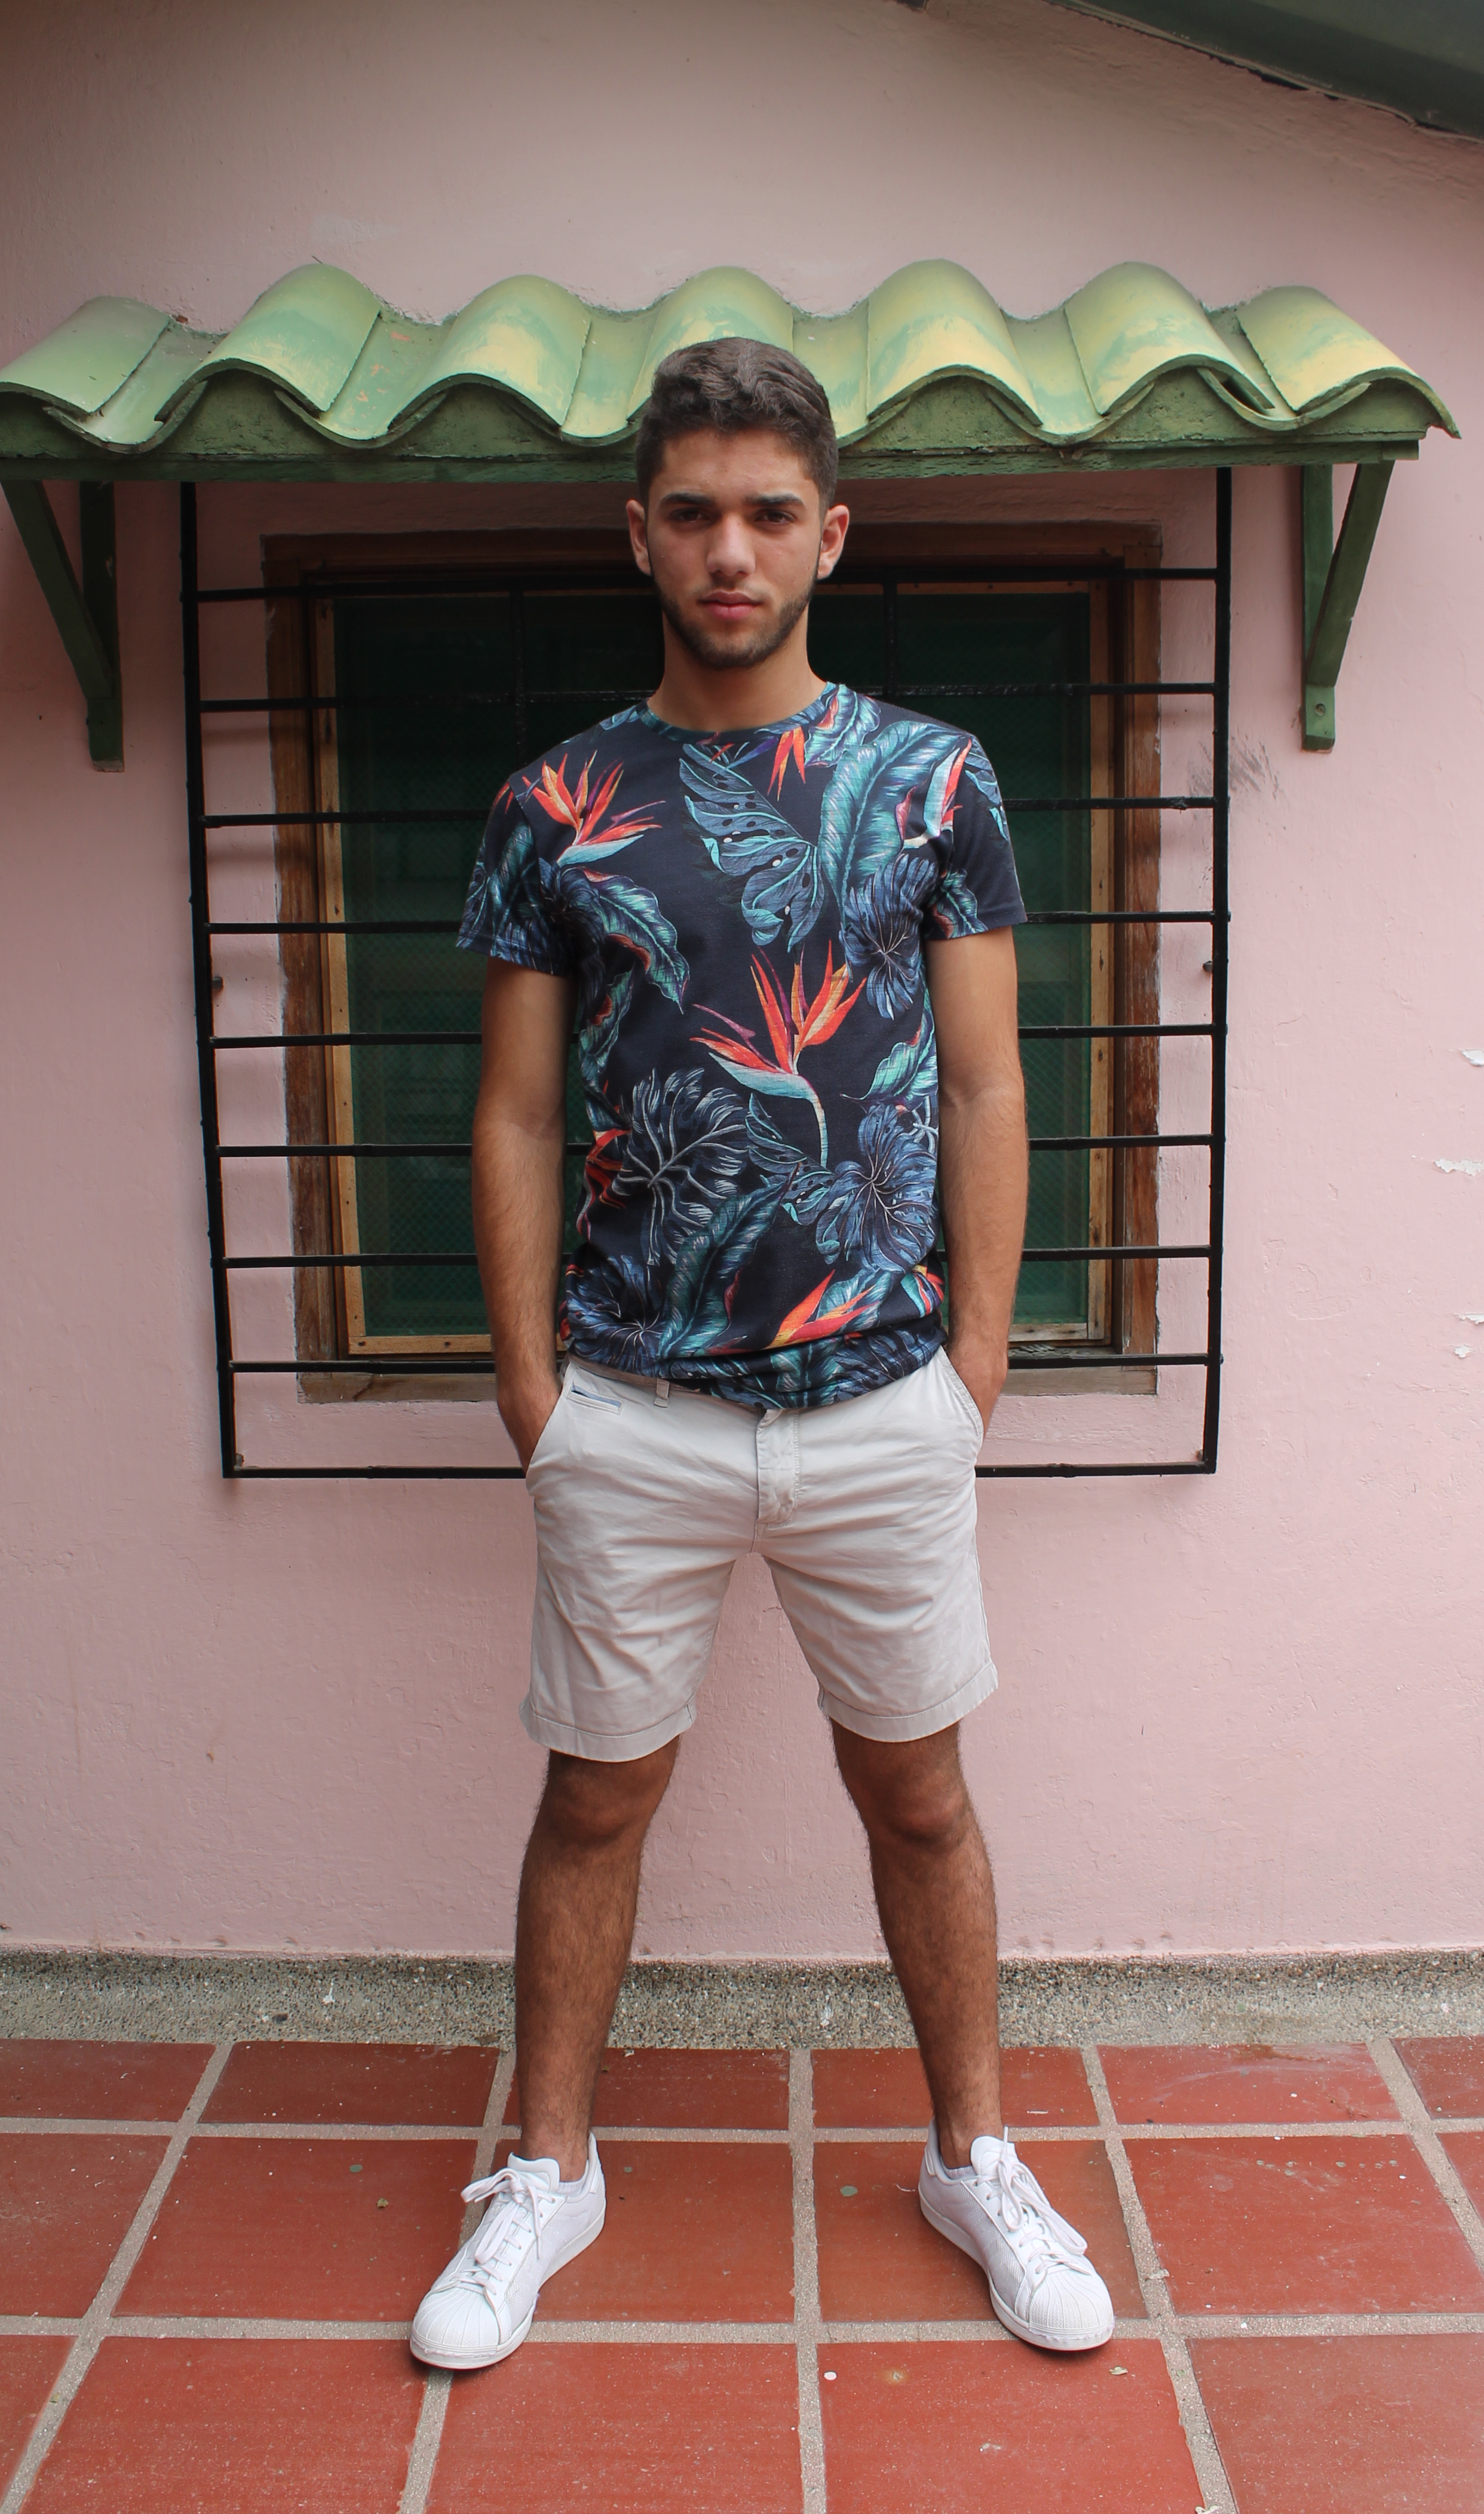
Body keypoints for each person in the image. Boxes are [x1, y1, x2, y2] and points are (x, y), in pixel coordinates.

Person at [410, 338, 1115, 2372]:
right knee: (594, 1800)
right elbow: (515, 1113)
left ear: (833, 536)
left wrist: (974, 1365)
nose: (733, 549)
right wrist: (531, 1392)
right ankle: (547, 2172)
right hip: (632, 1402)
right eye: (696, 511)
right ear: (638, 533)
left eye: (770, 513)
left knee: (922, 1797)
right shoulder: (556, 804)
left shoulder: (935, 781)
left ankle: (976, 2156)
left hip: (880, 1396)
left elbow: (985, 1086)